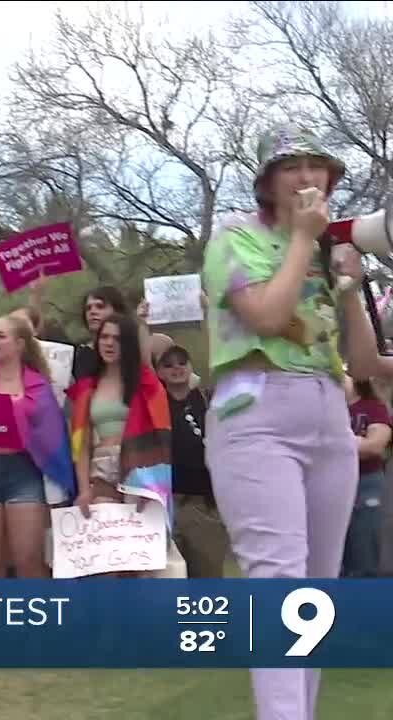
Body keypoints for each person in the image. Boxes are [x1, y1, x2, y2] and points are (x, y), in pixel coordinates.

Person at [202, 125, 374, 720]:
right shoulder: (233, 239)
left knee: (316, 594)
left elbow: (366, 362)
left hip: (330, 417)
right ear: (268, 184)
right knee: (277, 581)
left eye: (318, 166)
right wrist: (304, 241)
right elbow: (269, 318)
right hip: (256, 416)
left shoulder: (328, 254)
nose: (307, 177)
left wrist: (349, 285)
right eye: (291, 166)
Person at [64, 313, 174, 577]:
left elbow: (161, 438)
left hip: (141, 473)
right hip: (101, 471)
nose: (109, 343)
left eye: (117, 338)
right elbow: (82, 446)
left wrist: (152, 489)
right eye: (104, 337)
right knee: (104, 560)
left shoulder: (146, 384)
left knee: (137, 562)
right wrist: (83, 490)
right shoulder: (87, 388)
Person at [0, 314, 67, 578]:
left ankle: (41, 617)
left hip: (24, 474)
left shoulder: (38, 384)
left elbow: (51, 435)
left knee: (28, 562)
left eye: (0, 336)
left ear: (19, 344)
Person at [156, 345, 228, 578]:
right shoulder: (154, 405)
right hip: (165, 505)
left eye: (181, 362)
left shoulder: (208, 399)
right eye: (168, 365)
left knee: (208, 578)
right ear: (158, 372)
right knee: (169, 580)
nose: (176, 369)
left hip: (204, 504)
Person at [342, 376, 389, 577]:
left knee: (365, 552)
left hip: (366, 484)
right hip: (334, 488)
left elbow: (375, 445)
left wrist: (337, 443)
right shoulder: (328, 411)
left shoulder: (373, 407)